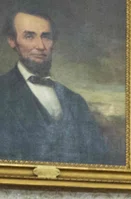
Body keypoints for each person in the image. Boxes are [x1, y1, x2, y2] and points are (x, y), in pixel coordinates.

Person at [0, 7, 116, 165]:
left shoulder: (75, 101)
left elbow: (99, 160)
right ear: (12, 41)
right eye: (29, 36)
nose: (40, 46)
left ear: (53, 42)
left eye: (46, 37)